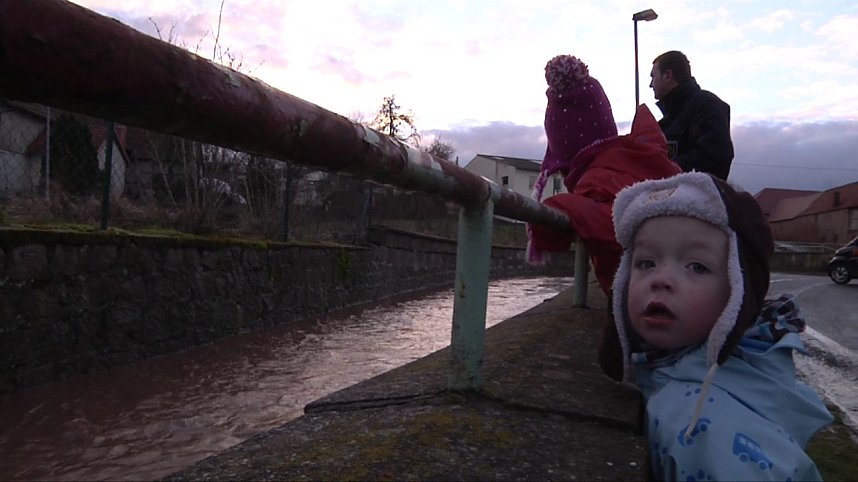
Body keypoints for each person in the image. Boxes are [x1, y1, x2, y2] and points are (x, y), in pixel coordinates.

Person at [601, 171, 833, 480]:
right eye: (646, 263)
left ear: (738, 292)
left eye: (696, 266)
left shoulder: (702, 425)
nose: (661, 279)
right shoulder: (673, 370)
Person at [526, 54, 681, 294]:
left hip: (654, 305)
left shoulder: (597, 180)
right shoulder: (635, 160)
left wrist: (555, 213)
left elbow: (613, 225)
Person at [649, 51, 733, 180]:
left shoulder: (708, 105)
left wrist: (664, 169)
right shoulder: (665, 122)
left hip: (697, 197)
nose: (650, 84)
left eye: (653, 77)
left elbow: (715, 158)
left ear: (667, 75)